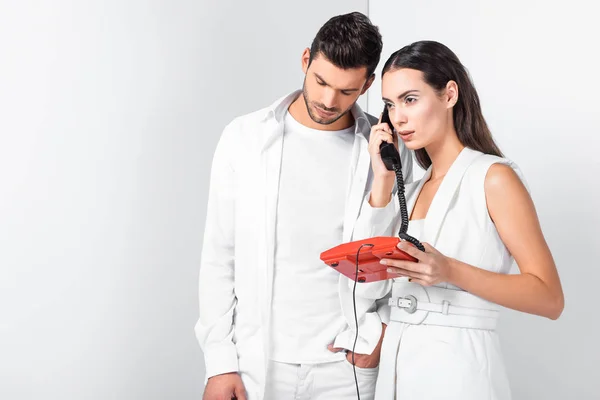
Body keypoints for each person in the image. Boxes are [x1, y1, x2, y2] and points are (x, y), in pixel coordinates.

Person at [195, 12, 413, 400]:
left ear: (367, 85)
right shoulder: (244, 138)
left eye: (347, 91)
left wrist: (381, 329)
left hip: (347, 369)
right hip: (258, 363)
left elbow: (399, 253)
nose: (329, 101)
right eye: (321, 81)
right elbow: (219, 255)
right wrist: (220, 362)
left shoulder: (386, 153)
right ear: (305, 60)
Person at [351, 40, 564, 399]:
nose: (397, 117)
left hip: (459, 371)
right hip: (398, 371)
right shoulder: (413, 189)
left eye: (410, 99)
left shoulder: (494, 178)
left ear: (450, 94)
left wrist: (449, 270)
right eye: (389, 104)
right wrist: (383, 180)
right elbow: (366, 279)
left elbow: (549, 297)